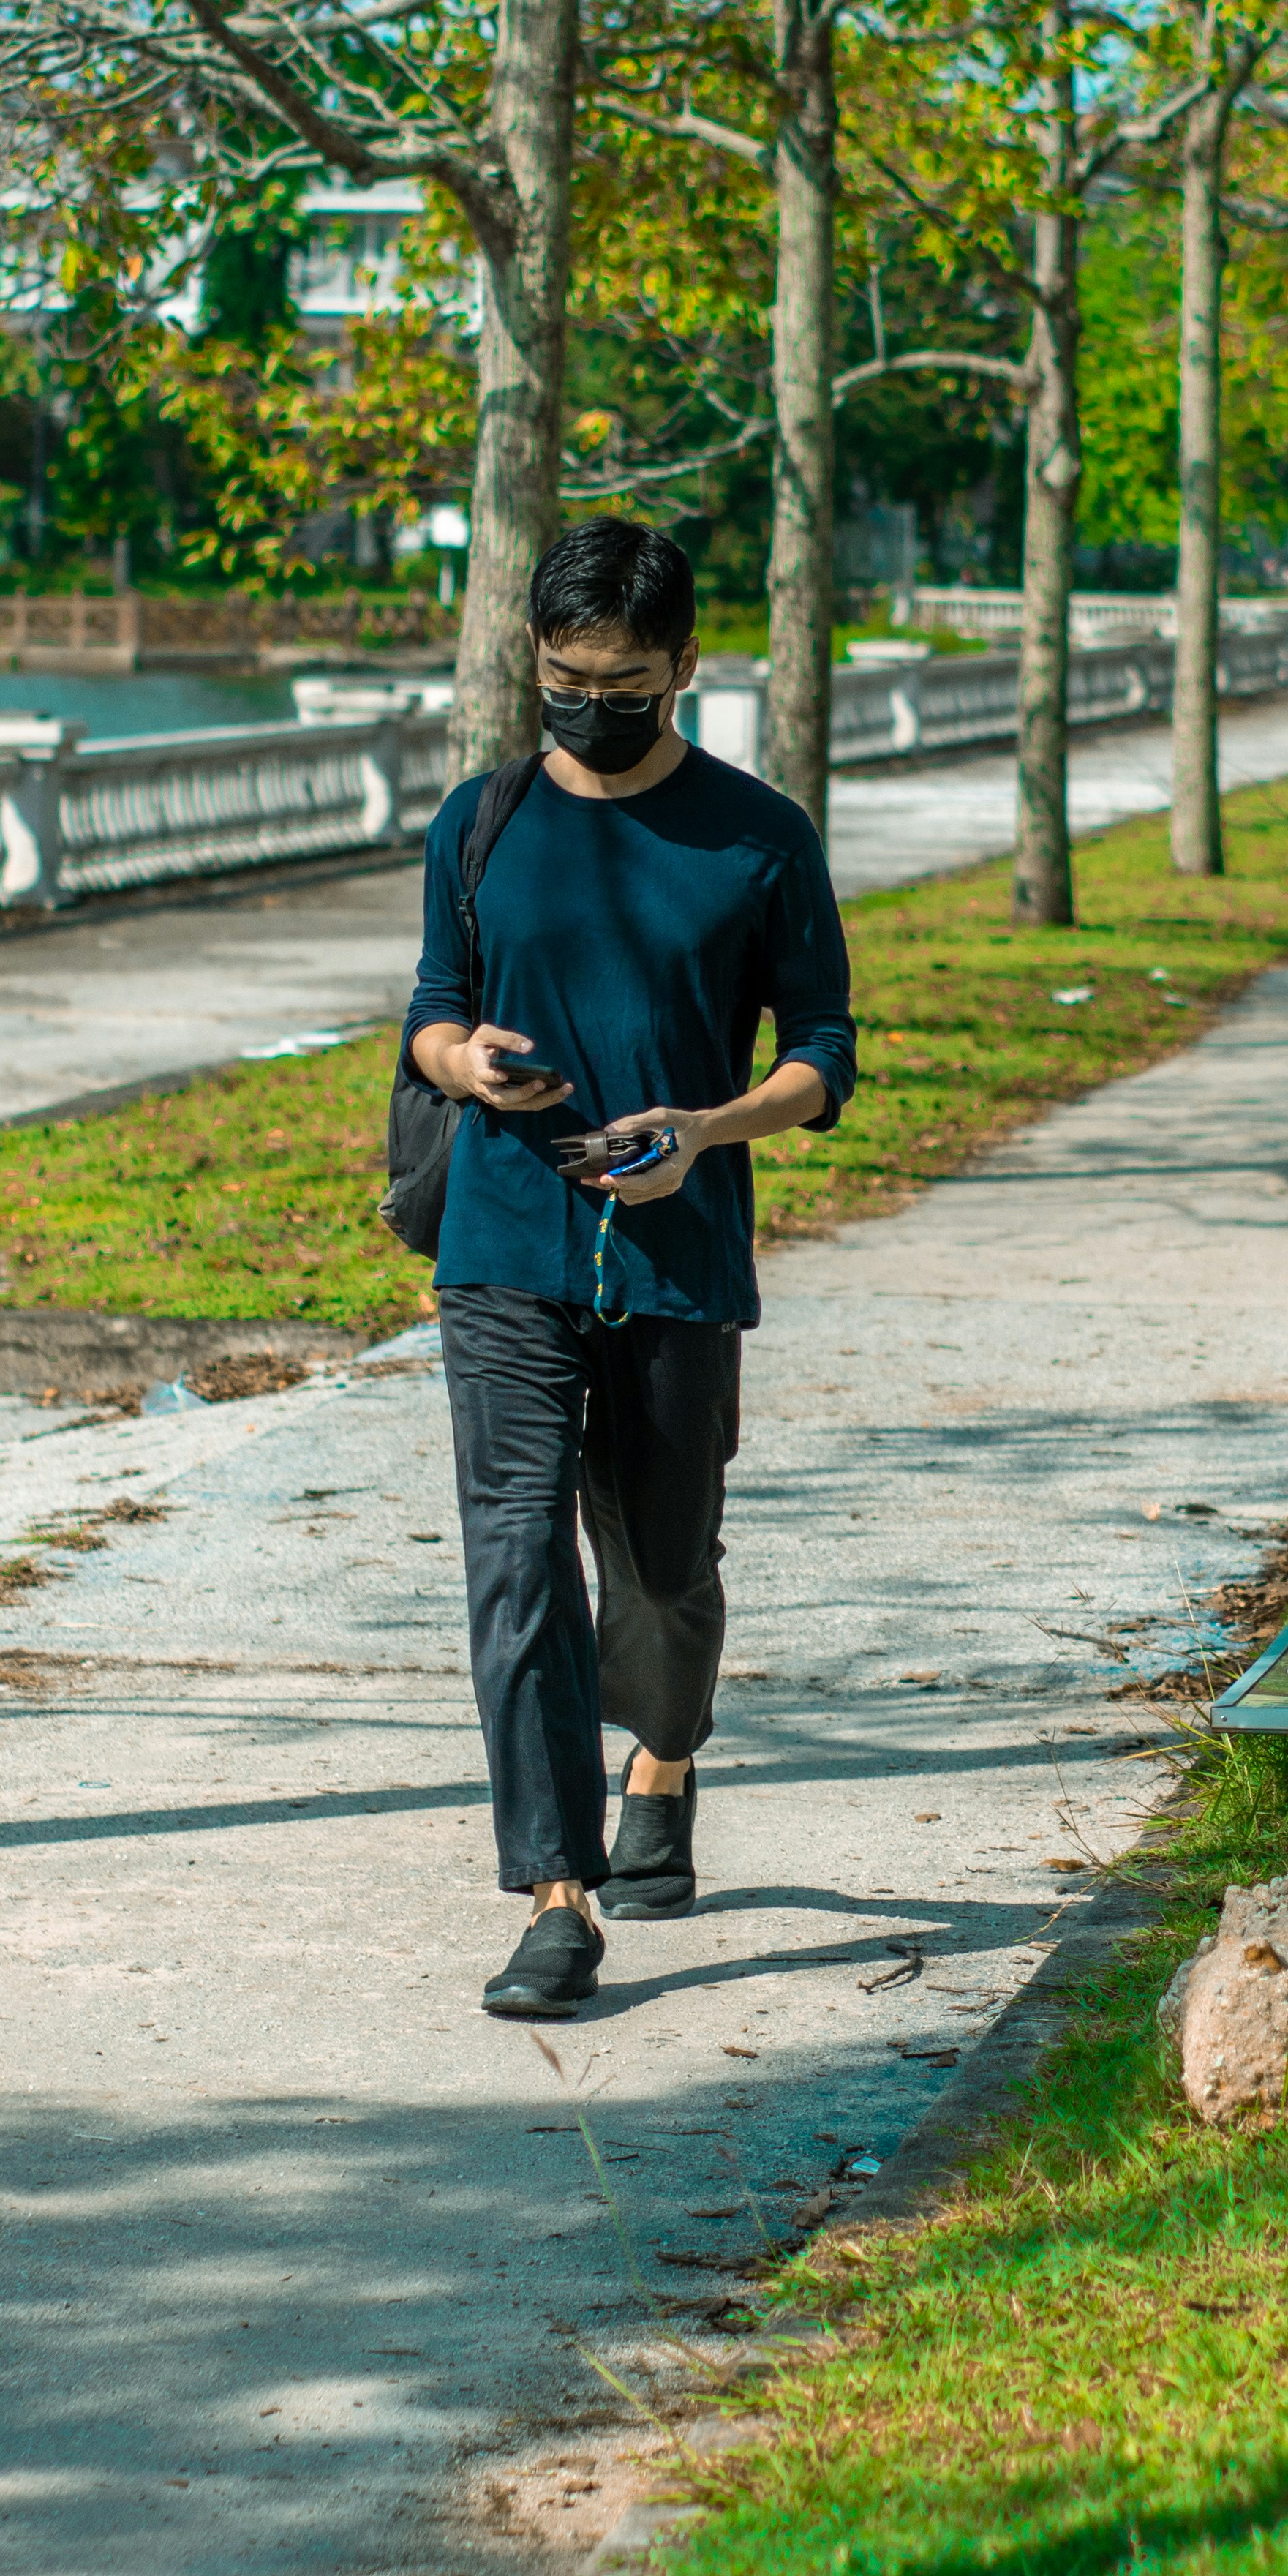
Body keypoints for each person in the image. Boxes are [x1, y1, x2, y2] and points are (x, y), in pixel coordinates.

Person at [403, 520, 858, 2016]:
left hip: (673, 1253)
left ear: (682, 669)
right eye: (558, 673)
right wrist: (465, 1063)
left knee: (660, 1575)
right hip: (502, 1245)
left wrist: (708, 1129)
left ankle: (662, 1758)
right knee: (517, 1566)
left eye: (617, 679)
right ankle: (555, 1895)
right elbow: (430, 1010)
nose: (584, 702)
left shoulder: (757, 836)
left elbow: (823, 1055)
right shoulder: (480, 819)